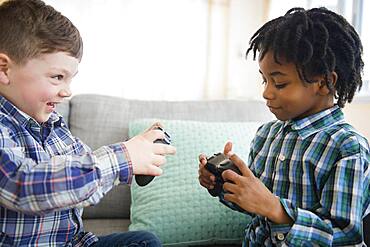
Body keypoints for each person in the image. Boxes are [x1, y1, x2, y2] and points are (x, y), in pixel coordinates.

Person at [0, 0, 176, 246]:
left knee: (143, 241)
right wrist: (121, 157)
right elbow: (22, 186)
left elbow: (85, 166)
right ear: (4, 69)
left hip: (77, 242)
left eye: (70, 79)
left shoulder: (53, 124)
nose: (67, 91)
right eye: (57, 77)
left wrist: (134, 157)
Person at [198, 7, 369, 246]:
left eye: (279, 83)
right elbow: (255, 207)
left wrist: (277, 209)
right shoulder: (266, 135)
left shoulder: (347, 148)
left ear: (325, 82)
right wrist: (222, 183)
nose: (266, 92)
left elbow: (345, 236)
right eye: (264, 80)